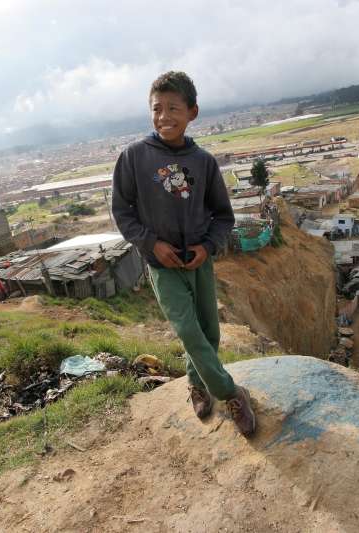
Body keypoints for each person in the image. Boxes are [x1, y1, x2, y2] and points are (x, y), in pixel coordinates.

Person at [112, 71, 256, 436]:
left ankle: (195, 383)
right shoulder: (133, 158)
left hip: (199, 263)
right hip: (162, 265)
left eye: (173, 108)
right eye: (156, 109)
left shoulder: (203, 162)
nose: (164, 117)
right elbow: (122, 212)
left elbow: (223, 216)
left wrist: (207, 247)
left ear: (192, 111)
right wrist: (151, 243)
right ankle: (229, 393)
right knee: (189, 332)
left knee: (209, 334)